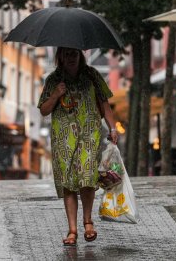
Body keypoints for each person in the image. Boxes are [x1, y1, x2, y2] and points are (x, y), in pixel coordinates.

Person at [37, 47, 118, 246]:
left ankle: (88, 221)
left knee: (87, 177)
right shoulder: (53, 79)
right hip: (63, 138)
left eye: (74, 54)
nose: (71, 58)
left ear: (80, 55)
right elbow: (44, 110)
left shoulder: (92, 75)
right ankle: (72, 230)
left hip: (89, 133)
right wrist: (56, 94)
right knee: (68, 182)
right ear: (60, 57)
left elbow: (104, 103)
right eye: (66, 54)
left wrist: (113, 127)